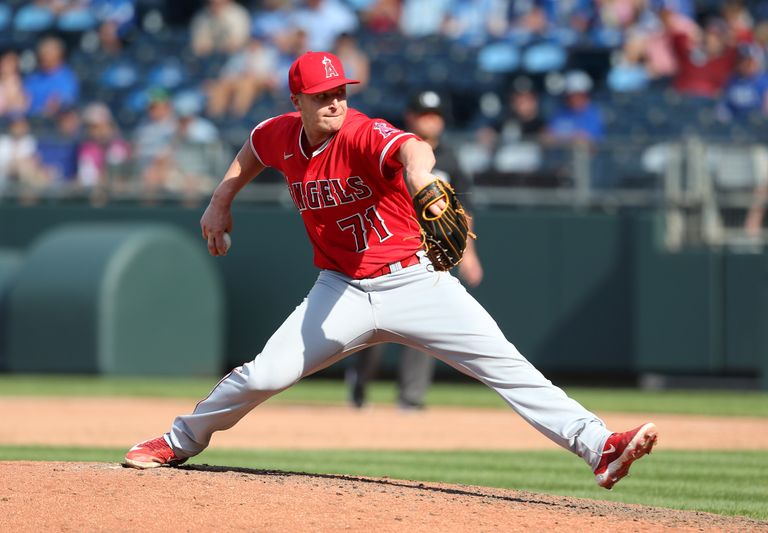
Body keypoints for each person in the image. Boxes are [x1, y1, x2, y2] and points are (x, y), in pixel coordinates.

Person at [123, 51, 658, 490]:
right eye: (322, 95)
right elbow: (252, 151)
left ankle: (601, 447)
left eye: (340, 92)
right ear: (298, 102)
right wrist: (221, 199)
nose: (334, 101)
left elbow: (411, 148)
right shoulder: (279, 134)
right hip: (341, 290)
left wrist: (423, 183)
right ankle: (177, 441)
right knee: (264, 374)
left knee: (508, 367)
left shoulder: (360, 133)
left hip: (414, 281)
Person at [346, 89, 483, 409]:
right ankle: (359, 383)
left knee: (425, 330)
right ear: (410, 116)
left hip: (430, 252)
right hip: (387, 247)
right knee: (371, 330)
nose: (430, 121)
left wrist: (469, 252)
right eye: (424, 114)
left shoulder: (450, 159)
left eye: (434, 115)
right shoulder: (391, 148)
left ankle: (410, 398)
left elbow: (464, 209)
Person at [23, 36, 79, 117]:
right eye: (42, 53)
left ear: (59, 54)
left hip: (53, 121)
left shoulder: (67, 78)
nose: (44, 55)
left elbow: (62, 102)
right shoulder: (33, 78)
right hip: (31, 119)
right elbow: (24, 101)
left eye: (48, 52)